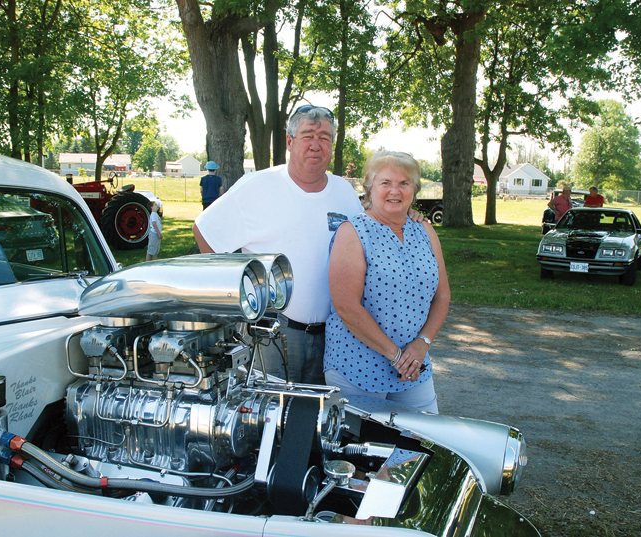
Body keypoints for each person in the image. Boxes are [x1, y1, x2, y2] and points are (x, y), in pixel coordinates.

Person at [192, 105, 364, 384]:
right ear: (289, 141)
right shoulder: (258, 186)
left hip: (335, 335)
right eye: (308, 135)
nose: (316, 145)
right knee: (267, 421)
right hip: (272, 335)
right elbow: (205, 232)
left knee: (320, 421)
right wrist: (239, 301)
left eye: (325, 137)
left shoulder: (344, 192)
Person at [323, 151, 450, 413]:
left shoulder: (425, 230)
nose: (395, 190)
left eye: (404, 183)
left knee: (424, 444)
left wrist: (422, 344)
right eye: (386, 183)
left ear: (414, 189)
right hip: (357, 368)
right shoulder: (353, 232)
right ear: (370, 188)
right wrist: (396, 356)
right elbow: (346, 305)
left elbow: (442, 296)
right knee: (364, 451)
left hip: (414, 367)